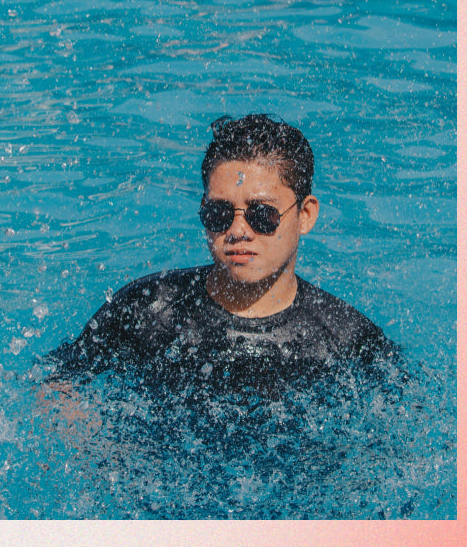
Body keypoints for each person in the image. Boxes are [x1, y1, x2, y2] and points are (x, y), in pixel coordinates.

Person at [44, 114, 399, 400]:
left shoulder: (346, 338)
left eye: (262, 214)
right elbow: (52, 387)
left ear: (305, 215)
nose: (238, 231)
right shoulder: (150, 309)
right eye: (219, 214)